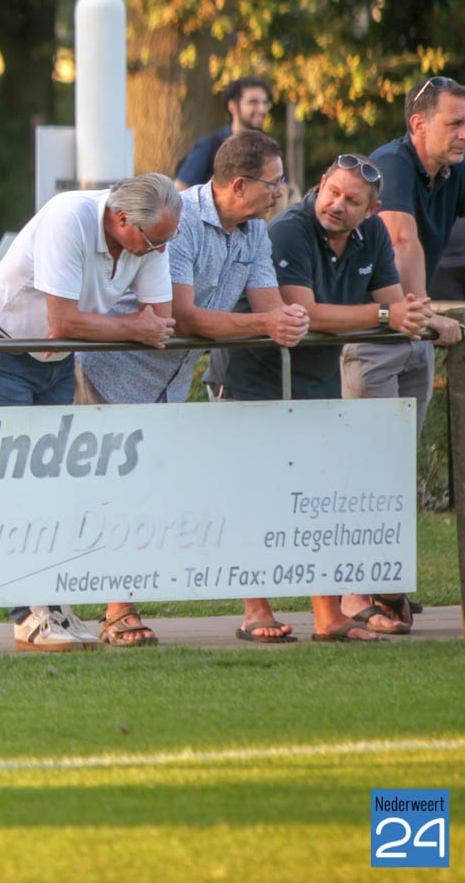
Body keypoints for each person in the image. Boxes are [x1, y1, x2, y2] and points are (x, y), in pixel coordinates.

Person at [77, 132, 310, 646]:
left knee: (150, 496)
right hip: (110, 371)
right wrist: (266, 324)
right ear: (239, 185)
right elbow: (184, 317)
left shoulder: (255, 231)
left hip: (169, 381)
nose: (280, 193)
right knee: (114, 498)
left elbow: (268, 306)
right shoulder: (178, 219)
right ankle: (115, 612)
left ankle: (235, 609)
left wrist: (288, 319)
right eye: (273, 183)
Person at [0, 173, 180, 652]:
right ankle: (28, 616)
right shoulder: (68, 217)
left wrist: (113, 326)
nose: (160, 251)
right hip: (0, 343)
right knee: (20, 481)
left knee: (53, 481)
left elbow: (160, 320)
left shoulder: (150, 236)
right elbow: (64, 322)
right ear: (121, 219)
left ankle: (53, 606)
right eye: (153, 242)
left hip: (56, 357)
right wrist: (129, 327)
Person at [223, 154, 429, 642]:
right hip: (255, 374)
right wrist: (386, 317)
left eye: (352, 200)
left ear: (372, 209)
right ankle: (256, 612)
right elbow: (305, 312)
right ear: (320, 185)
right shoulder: (289, 229)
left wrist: (417, 316)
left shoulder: (372, 234)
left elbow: (393, 301)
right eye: (332, 192)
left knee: (319, 496)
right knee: (257, 494)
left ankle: (328, 616)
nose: (336, 205)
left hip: (318, 376)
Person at [338, 74, 465, 631]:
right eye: (454, 123)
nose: (464, 134)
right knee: (366, 466)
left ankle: (385, 587)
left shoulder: (449, 172)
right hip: (376, 332)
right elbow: (401, 240)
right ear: (419, 124)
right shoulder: (391, 164)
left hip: (410, 333)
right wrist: (426, 316)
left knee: (393, 469)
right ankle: (353, 594)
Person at [174, 75, 272, 189]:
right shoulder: (209, 146)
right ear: (232, 106)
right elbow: (179, 191)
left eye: (265, 103)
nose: (262, 109)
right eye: (253, 102)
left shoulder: (269, 148)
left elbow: (283, 189)